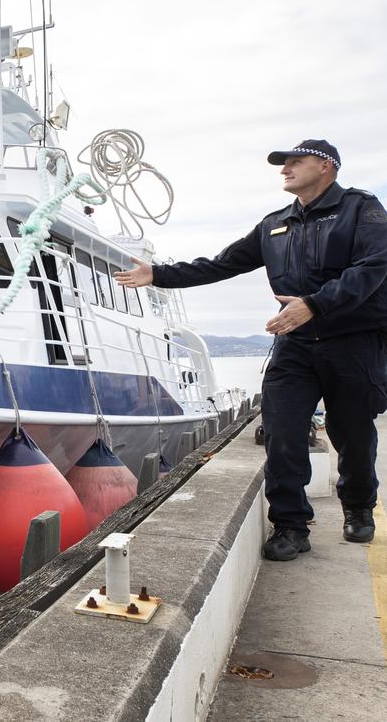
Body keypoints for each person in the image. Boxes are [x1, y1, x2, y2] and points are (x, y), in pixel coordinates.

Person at [115, 140, 387, 561]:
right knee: (281, 431)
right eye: (283, 164)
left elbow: (373, 267)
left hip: (352, 341)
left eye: (295, 161)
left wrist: (314, 304)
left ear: (326, 166)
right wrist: (159, 275)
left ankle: (358, 506)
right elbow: (222, 264)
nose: (285, 169)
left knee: (351, 431)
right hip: (294, 344)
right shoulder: (274, 224)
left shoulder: (360, 210)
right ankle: (291, 525)